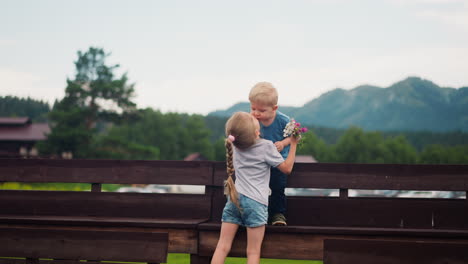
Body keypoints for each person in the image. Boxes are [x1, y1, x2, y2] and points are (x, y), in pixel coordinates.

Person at [211, 112, 298, 264]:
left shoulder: (234, 145)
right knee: (252, 252)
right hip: (256, 203)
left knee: (222, 247)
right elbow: (287, 168)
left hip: (234, 199)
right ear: (257, 133)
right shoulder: (266, 146)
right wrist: (293, 143)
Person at [249, 82, 291, 226]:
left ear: (274, 108)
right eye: (253, 108)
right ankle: (260, 213)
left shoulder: (283, 120)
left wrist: (284, 143)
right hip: (259, 162)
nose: (256, 113)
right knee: (259, 188)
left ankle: (278, 214)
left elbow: (295, 136)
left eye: (261, 110)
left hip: (279, 161)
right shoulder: (252, 120)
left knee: (277, 187)